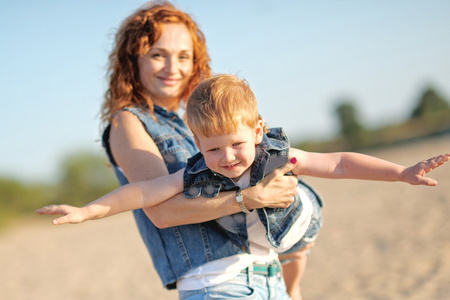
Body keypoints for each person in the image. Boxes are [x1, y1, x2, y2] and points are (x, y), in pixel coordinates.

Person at [37, 74, 450, 299]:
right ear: (197, 144)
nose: (228, 157)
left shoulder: (274, 154)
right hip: (248, 273)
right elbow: (145, 192)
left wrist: (400, 172)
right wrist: (89, 210)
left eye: (237, 144)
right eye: (213, 148)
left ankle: (295, 285)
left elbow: (338, 163)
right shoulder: (197, 171)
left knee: (300, 246)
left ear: (257, 131)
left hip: (293, 233)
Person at [91, 1, 303, 299]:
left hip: (268, 278)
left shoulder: (196, 124)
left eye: (183, 56)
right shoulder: (128, 122)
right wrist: (250, 198)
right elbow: (162, 213)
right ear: (133, 60)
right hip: (218, 287)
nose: (172, 67)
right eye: (157, 55)